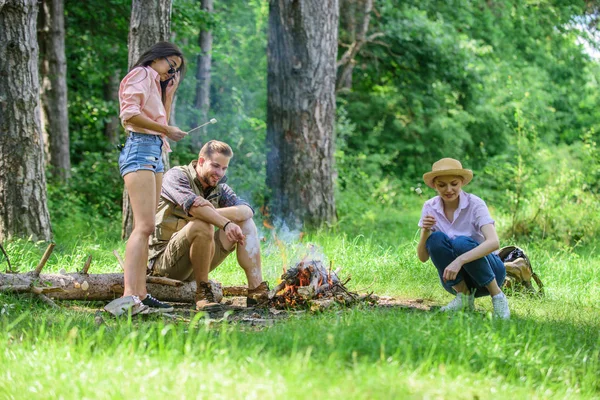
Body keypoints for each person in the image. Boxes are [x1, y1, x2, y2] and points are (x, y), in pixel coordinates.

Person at [111, 42, 188, 314]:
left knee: (147, 226)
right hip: (140, 149)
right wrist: (166, 128)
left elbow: (160, 123)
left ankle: (141, 294)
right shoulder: (141, 74)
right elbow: (129, 114)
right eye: (171, 65)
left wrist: (169, 96)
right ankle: (129, 296)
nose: (172, 72)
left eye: (176, 70)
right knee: (142, 227)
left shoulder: (156, 83)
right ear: (158, 57)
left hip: (154, 151)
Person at [148, 140, 269, 310]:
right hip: (165, 263)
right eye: (216, 166)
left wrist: (211, 215)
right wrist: (223, 223)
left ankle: (256, 291)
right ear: (202, 161)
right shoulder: (177, 176)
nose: (219, 173)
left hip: (197, 259)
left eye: (224, 168)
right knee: (202, 224)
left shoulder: (220, 187)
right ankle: (203, 294)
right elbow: (195, 207)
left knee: (245, 223)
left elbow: (246, 210)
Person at [416, 158, 510, 319]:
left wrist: (459, 260)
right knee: (435, 239)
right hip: (457, 280)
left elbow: (494, 242)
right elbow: (423, 258)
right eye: (442, 185)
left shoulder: (475, 204)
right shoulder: (430, 207)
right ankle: (464, 297)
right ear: (434, 185)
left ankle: (498, 297)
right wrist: (425, 231)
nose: (448, 189)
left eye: (454, 184)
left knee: (461, 242)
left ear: (461, 182)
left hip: (490, 274)